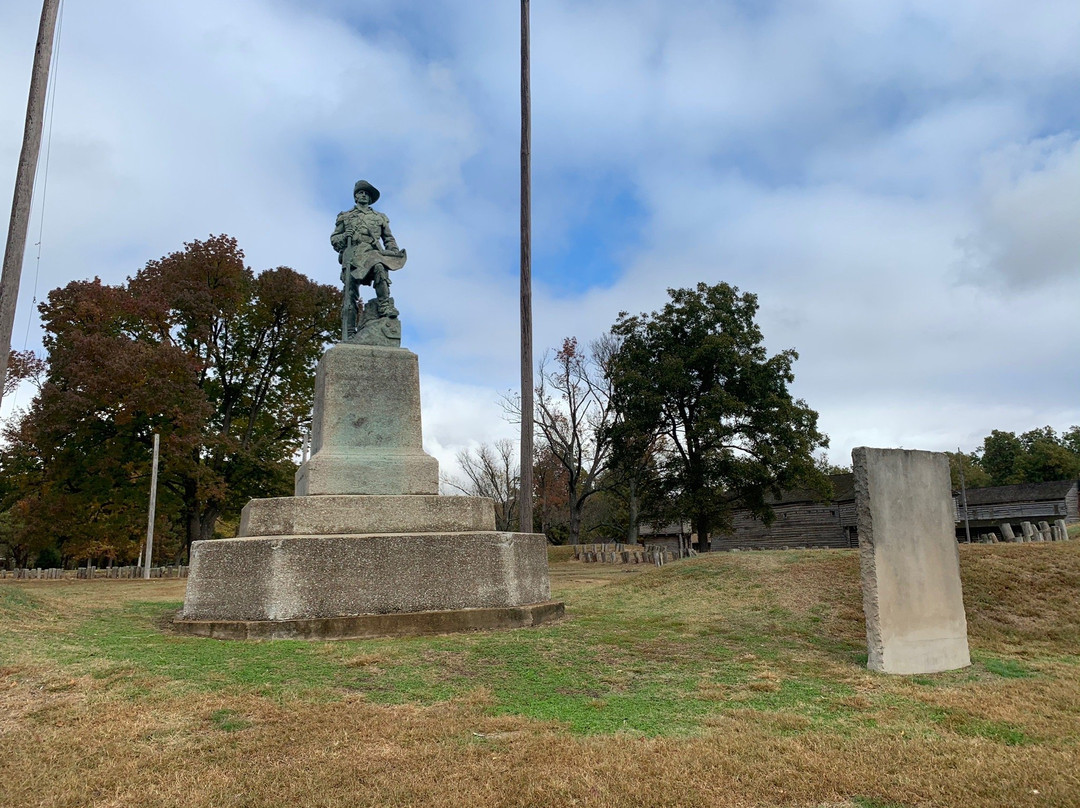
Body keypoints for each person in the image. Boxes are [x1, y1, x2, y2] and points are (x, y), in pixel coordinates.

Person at [331, 180, 406, 339]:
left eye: (367, 194)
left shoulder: (380, 217)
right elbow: (334, 240)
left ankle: (385, 306)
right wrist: (345, 235)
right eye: (361, 193)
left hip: (372, 253)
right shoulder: (345, 216)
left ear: (370, 199)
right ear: (356, 196)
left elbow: (389, 239)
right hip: (352, 254)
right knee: (350, 292)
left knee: (379, 267)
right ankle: (349, 331)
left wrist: (392, 251)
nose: (363, 195)